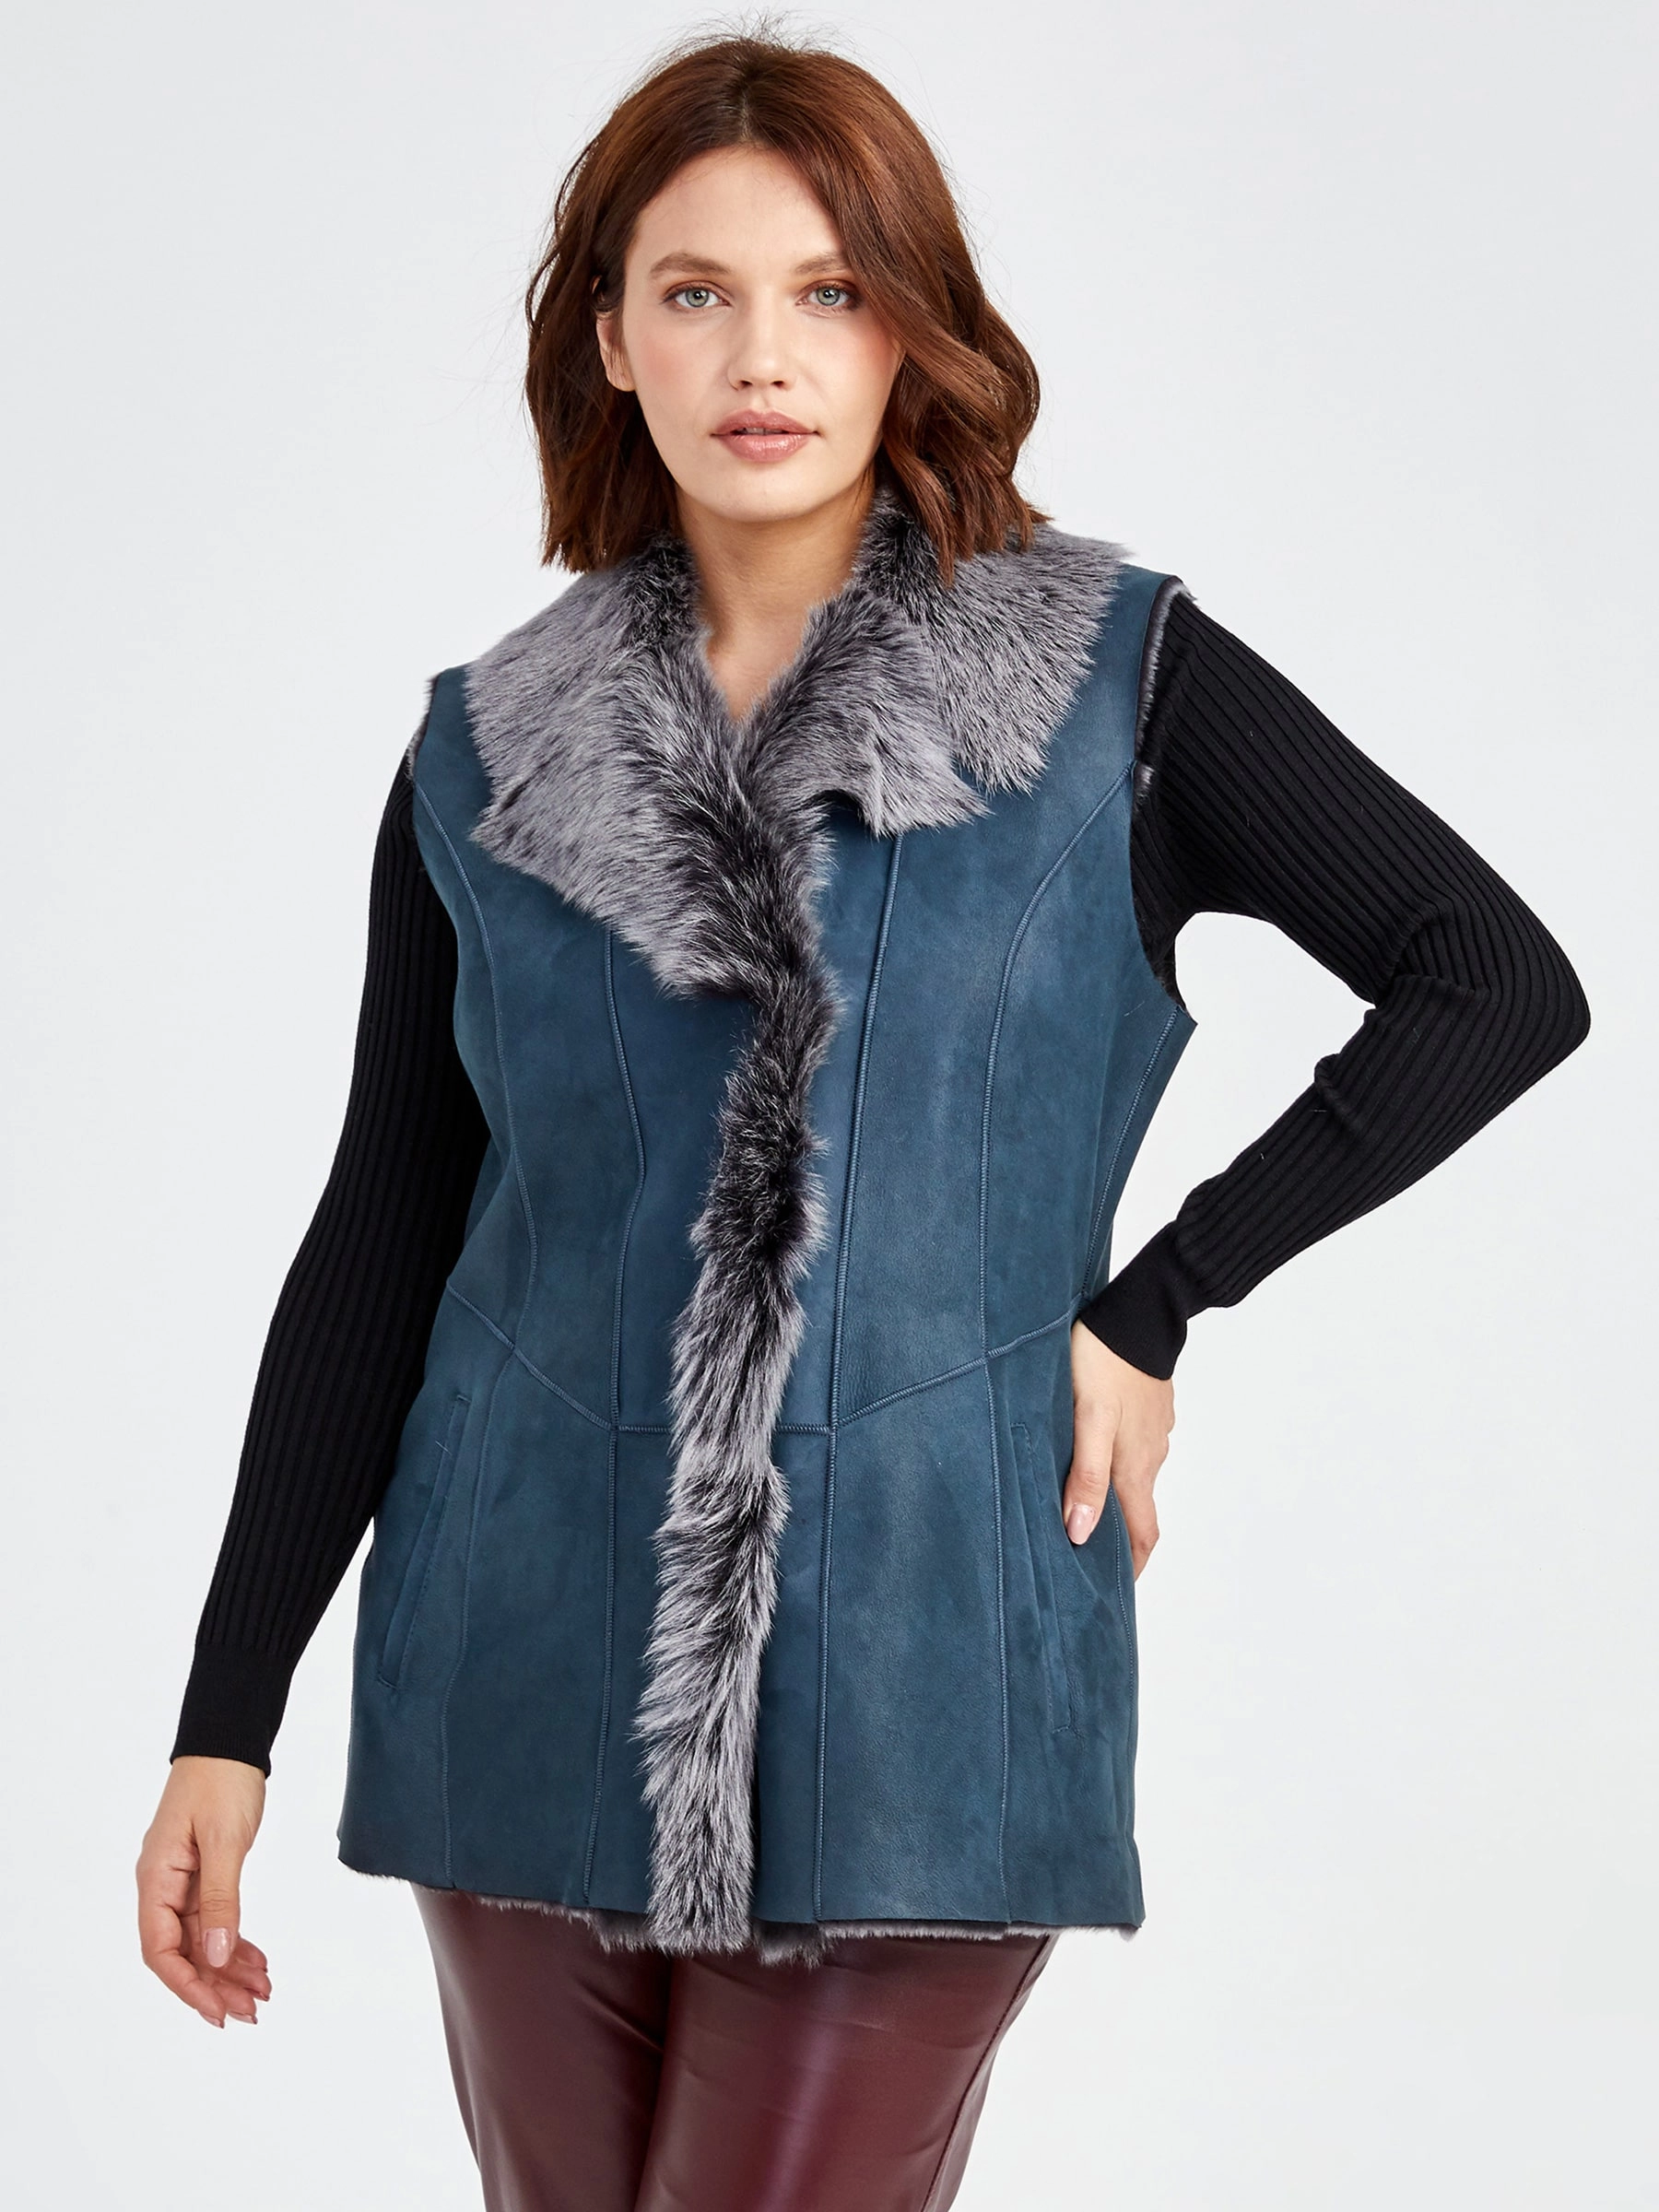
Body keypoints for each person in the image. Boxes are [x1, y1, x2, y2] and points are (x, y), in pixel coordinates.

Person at [135, 28, 1591, 2212]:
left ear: (911, 325)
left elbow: (1492, 978)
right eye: (696, 290)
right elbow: (384, 1235)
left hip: (933, 1676)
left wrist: (1162, 1302)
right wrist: (224, 1713)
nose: (765, 354)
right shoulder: (483, 755)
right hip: (516, 1667)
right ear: (609, 337)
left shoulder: (1118, 683)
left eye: (829, 290)